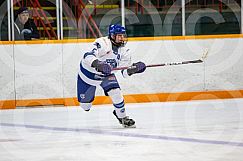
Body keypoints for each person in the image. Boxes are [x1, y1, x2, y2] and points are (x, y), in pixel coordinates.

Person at [77, 24, 146, 128]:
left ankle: (122, 117)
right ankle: (86, 102)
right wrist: (98, 64)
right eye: (119, 35)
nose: (122, 38)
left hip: (106, 75)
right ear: (112, 35)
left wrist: (135, 69)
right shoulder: (102, 43)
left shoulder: (125, 51)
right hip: (88, 75)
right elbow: (87, 56)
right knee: (85, 106)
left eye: (123, 35)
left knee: (116, 93)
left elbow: (124, 72)